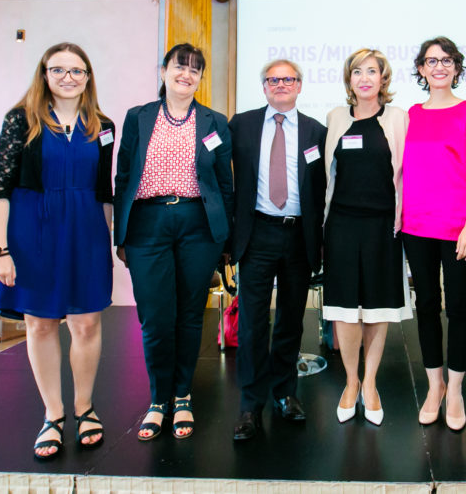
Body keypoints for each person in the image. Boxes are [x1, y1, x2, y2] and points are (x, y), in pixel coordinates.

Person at [0, 42, 115, 460]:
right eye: (58, 70)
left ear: (88, 77)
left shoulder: (103, 125)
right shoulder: (21, 119)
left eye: (77, 71)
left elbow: (105, 191)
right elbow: (0, 187)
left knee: (87, 324)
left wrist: (108, 242)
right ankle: (53, 414)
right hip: (33, 231)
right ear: (44, 74)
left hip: (87, 231)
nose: (68, 78)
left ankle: (85, 408)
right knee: (40, 324)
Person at [113, 42, 235, 441]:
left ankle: (182, 395)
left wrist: (227, 240)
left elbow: (225, 184)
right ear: (163, 71)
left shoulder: (215, 122)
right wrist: (120, 235)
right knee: (155, 317)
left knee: (189, 315)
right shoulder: (138, 117)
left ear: (201, 79)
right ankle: (157, 400)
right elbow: (123, 177)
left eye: (195, 69)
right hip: (147, 223)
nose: (186, 74)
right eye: (179, 66)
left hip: (199, 225)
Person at [227, 59, 327, 440]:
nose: (281, 84)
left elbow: (321, 189)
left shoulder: (317, 131)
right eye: (273, 79)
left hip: (298, 235)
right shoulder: (241, 125)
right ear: (264, 87)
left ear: (299, 85)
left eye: (288, 79)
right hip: (257, 233)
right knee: (252, 323)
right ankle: (250, 405)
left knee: (290, 320)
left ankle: (285, 393)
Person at [401, 37, 466, 431]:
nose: (439, 66)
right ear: (421, 69)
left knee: (458, 307)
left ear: (457, 67)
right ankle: (434, 385)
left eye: (447, 60)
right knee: (425, 306)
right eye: (431, 61)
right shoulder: (410, 115)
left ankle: (455, 389)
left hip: (459, 226)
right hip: (416, 225)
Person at [322, 48, 411, 426]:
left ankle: (370, 383)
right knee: (344, 310)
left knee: (378, 309)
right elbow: (327, 175)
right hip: (341, 226)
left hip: (382, 227)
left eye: (371, 71)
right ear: (349, 79)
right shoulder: (335, 117)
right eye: (357, 71)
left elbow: (406, 174)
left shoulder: (398, 118)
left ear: (383, 78)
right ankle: (351, 382)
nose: (364, 78)